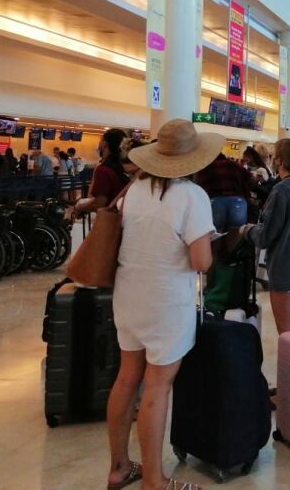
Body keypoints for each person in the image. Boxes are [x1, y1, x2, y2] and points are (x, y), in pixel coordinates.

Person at [105, 118, 222, 490]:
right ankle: (154, 481)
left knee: (127, 378)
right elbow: (200, 262)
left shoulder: (133, 189)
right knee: (157, 387)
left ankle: (120, 467)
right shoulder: (192, 197)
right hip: (166, 300)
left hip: (127, 293)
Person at [240, 139, 290, 334]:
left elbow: (267, 235)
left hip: (285, 266)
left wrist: (246, 230)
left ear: (280, 161)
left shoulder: (282, 190)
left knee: (286, 334)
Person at [73, 129, 128, 220]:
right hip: (121, 217)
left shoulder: (104, 170)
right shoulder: (123, 167)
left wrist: (79, 208)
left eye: (101, 139)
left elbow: (99, 204)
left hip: (108, 219)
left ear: (104, 144)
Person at [195, 151, 249, 234]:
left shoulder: (206, 169)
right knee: (236, 234)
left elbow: (199, 189)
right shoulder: (234, 165)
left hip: (215, 202)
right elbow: (250, 179)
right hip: (238, 202)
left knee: (216, 234)